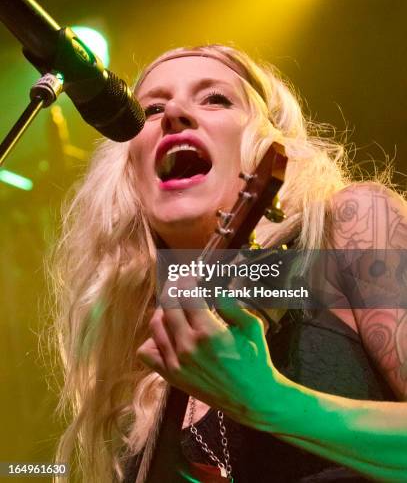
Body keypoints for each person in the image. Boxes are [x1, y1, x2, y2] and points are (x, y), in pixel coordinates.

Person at [52, 45, 407, 482]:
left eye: (215, 98)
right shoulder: (142, 348)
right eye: (152, 108)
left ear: (265, 145)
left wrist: (269, 400)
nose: (175, 112)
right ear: (129, 171)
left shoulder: (349, 225)